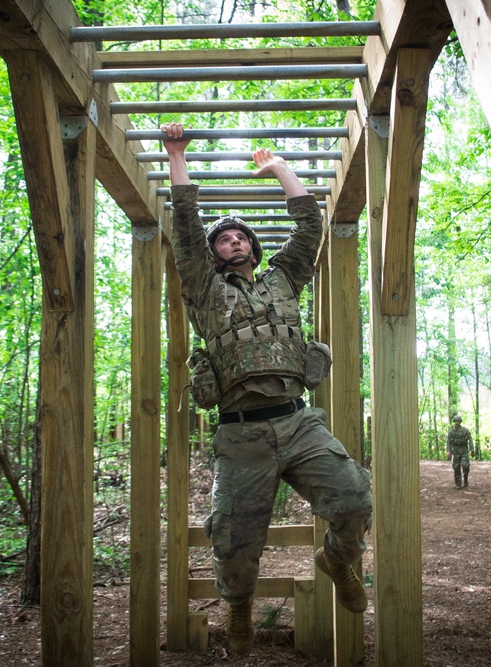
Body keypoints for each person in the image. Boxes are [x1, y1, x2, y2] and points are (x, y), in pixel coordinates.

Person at [160, 122, 373, 655]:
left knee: (354, 497)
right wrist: (176, 154)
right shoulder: (204, 290)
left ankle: (337, 559)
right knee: (233, 543)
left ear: (252, 247)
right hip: (240, 436)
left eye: (240, 237)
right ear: (213, 257)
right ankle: (238, 612)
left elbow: (309, 229)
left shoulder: (283, 278)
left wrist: (279, 168)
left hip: (298, 422)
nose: (233, 241)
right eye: (223, 240)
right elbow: (185, 227)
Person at [447, 414, 473, 489]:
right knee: (456, 467)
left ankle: (465, 480)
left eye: (458, 421)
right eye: (455, 421)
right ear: (454, 422)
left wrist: (472, 449)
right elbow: (449, 442)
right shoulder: (451, 432)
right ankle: (458, 484)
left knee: (465, 466)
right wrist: (448, 451)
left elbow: (470, 439)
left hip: (464, 450)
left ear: (460, 422)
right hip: (455, 451)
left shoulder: (465, 430)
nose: (457, 423)